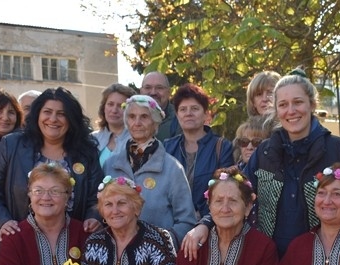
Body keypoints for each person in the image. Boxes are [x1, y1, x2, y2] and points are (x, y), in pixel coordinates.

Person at [181, 70, 340, 262]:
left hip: (324, 258)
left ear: (312, 105)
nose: (291, 111)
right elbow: (234, 193)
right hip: (271, 258)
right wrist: (204, 225)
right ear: (276, 110)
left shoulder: (337, 149)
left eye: (298, 102)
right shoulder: (265, 151)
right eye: (283, 104)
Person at [0, 86, 103, 242]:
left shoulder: (86, 152)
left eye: (61, 114)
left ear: (71, 119)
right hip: (20, 239)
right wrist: (3, 222)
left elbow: (97, 196)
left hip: (72, 243)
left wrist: (94, 217)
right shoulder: (12, 145)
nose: (53, 119)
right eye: (47, 112)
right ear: (37, 115)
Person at [168, 167, 278, 265]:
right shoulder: (195, 244)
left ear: (247, 208)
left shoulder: (263, 248)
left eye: (233, 201)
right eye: (218, 201)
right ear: (210, 206)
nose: (225, 209)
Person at [102, 95, 196, 246]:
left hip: (157, 260)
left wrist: (161, 244)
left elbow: (186, 220)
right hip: (117, 255)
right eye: (132, 117)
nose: (137, 123)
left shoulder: (172, 168)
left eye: (144, 117)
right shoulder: (110, 164)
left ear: (155, 122)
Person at [0, 162, 93, 265]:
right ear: (29, 195)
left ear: (67, 197)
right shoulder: (14, 237)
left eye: (55, 191)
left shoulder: (84, 234)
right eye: (38, 191)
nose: (46, 197)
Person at [82, 175, 176, 265]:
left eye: (121, 203)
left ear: (136, 208)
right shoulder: (93, 243)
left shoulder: (158, 239)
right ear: (102, 212)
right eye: (108, 204)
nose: (115, 211)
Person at [164, 83, 234, 217]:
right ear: (177, 116)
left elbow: (225, 189)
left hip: (209, 223)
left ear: (206, 115)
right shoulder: (167, 147)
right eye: (183, 109)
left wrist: (202, 216)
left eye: (195, 108)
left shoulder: (222, 147)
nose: (188, 113)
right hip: (173, 224)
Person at [92, 83, 135, 166]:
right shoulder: (92, 139)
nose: (114, 110)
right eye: (110, 104)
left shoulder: (137, 141)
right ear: (103, 107)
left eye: (120, 106)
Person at [140, 71, 181, 141]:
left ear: (169, 92)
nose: (153, 92)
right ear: (141, 91)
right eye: (148, 87)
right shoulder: (130, 117)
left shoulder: (180, 119)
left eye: (159, 88)